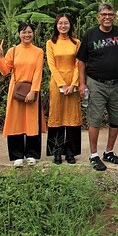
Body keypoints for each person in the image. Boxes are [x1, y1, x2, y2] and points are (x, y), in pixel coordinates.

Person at [77, 3, 118, 171]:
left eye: (110, 14)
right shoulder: (90, 34)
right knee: (95, 120)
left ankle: (109, 152)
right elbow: (81, 61)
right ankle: (94, 155)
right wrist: (82, 83)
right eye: (104, 14)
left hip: (117, 83)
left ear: (115, 16)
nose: (107, 17)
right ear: (98, 16)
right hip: (95, 83)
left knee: (115, 120)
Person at [0, 22, 45, 167]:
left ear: (33, 33)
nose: (27, 35)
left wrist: (33, 91)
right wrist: (0, 55)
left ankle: (32, 154)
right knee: (15, 121)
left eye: (29, 32)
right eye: (24, 32)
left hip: (31, 89)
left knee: (31, 122)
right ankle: (17, 155)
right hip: (16, 91)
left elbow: (38, 72)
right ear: (19, 34)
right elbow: (5, 71)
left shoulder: (38, 51)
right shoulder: (13, 50)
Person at [45, 14, 81, 165]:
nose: (63, 26)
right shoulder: (51, 43)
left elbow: (78, 64)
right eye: (60, 23)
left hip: (73, 83)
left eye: (66, 23)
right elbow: (51, 65)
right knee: (57, 116)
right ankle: (57, 151)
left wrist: (73, 84)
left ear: (70, 25)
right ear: (56, 25)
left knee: (72, 117)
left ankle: (70, 151)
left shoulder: (76, 42)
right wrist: (61, 84)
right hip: (57, 84)